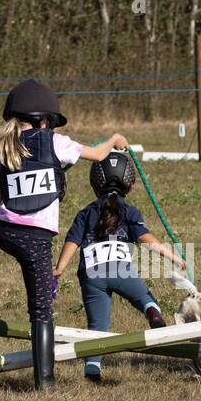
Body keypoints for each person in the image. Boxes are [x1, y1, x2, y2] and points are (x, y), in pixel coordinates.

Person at [0, 79, 127, 390]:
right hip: (36, 239)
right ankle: (45, 381)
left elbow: (2, 197)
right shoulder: (55, 142)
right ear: (44, 120)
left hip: (5, 227)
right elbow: (96, 154)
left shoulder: (3, 149)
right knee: (41, 310)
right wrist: (115, 139)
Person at [53, 149, 185, 382]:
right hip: (120, 268)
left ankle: (93, 368)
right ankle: (152, 312)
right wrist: (172, 256)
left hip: (91, 273)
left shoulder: (85, 213)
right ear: (130, 185)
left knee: (97, 325)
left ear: (94, 183)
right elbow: (145, 239)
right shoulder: (130, 211)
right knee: (144, 298)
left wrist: (59, 268)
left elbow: (72, 241)